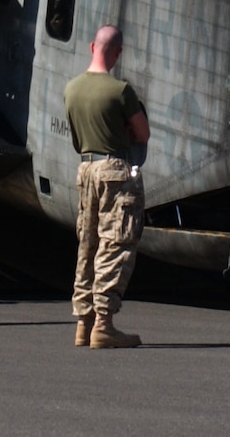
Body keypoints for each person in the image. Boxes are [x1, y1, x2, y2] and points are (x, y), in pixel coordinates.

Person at [63, 25, 150, 349]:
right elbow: (142, 134)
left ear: (91, 47)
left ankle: (83, 324)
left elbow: (76, 139)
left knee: (87, 243)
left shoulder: (71, 89)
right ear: (117, 53)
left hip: (85, 169)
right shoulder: (121, 91)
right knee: (116, 244)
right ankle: (104, 323)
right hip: (114, 170)